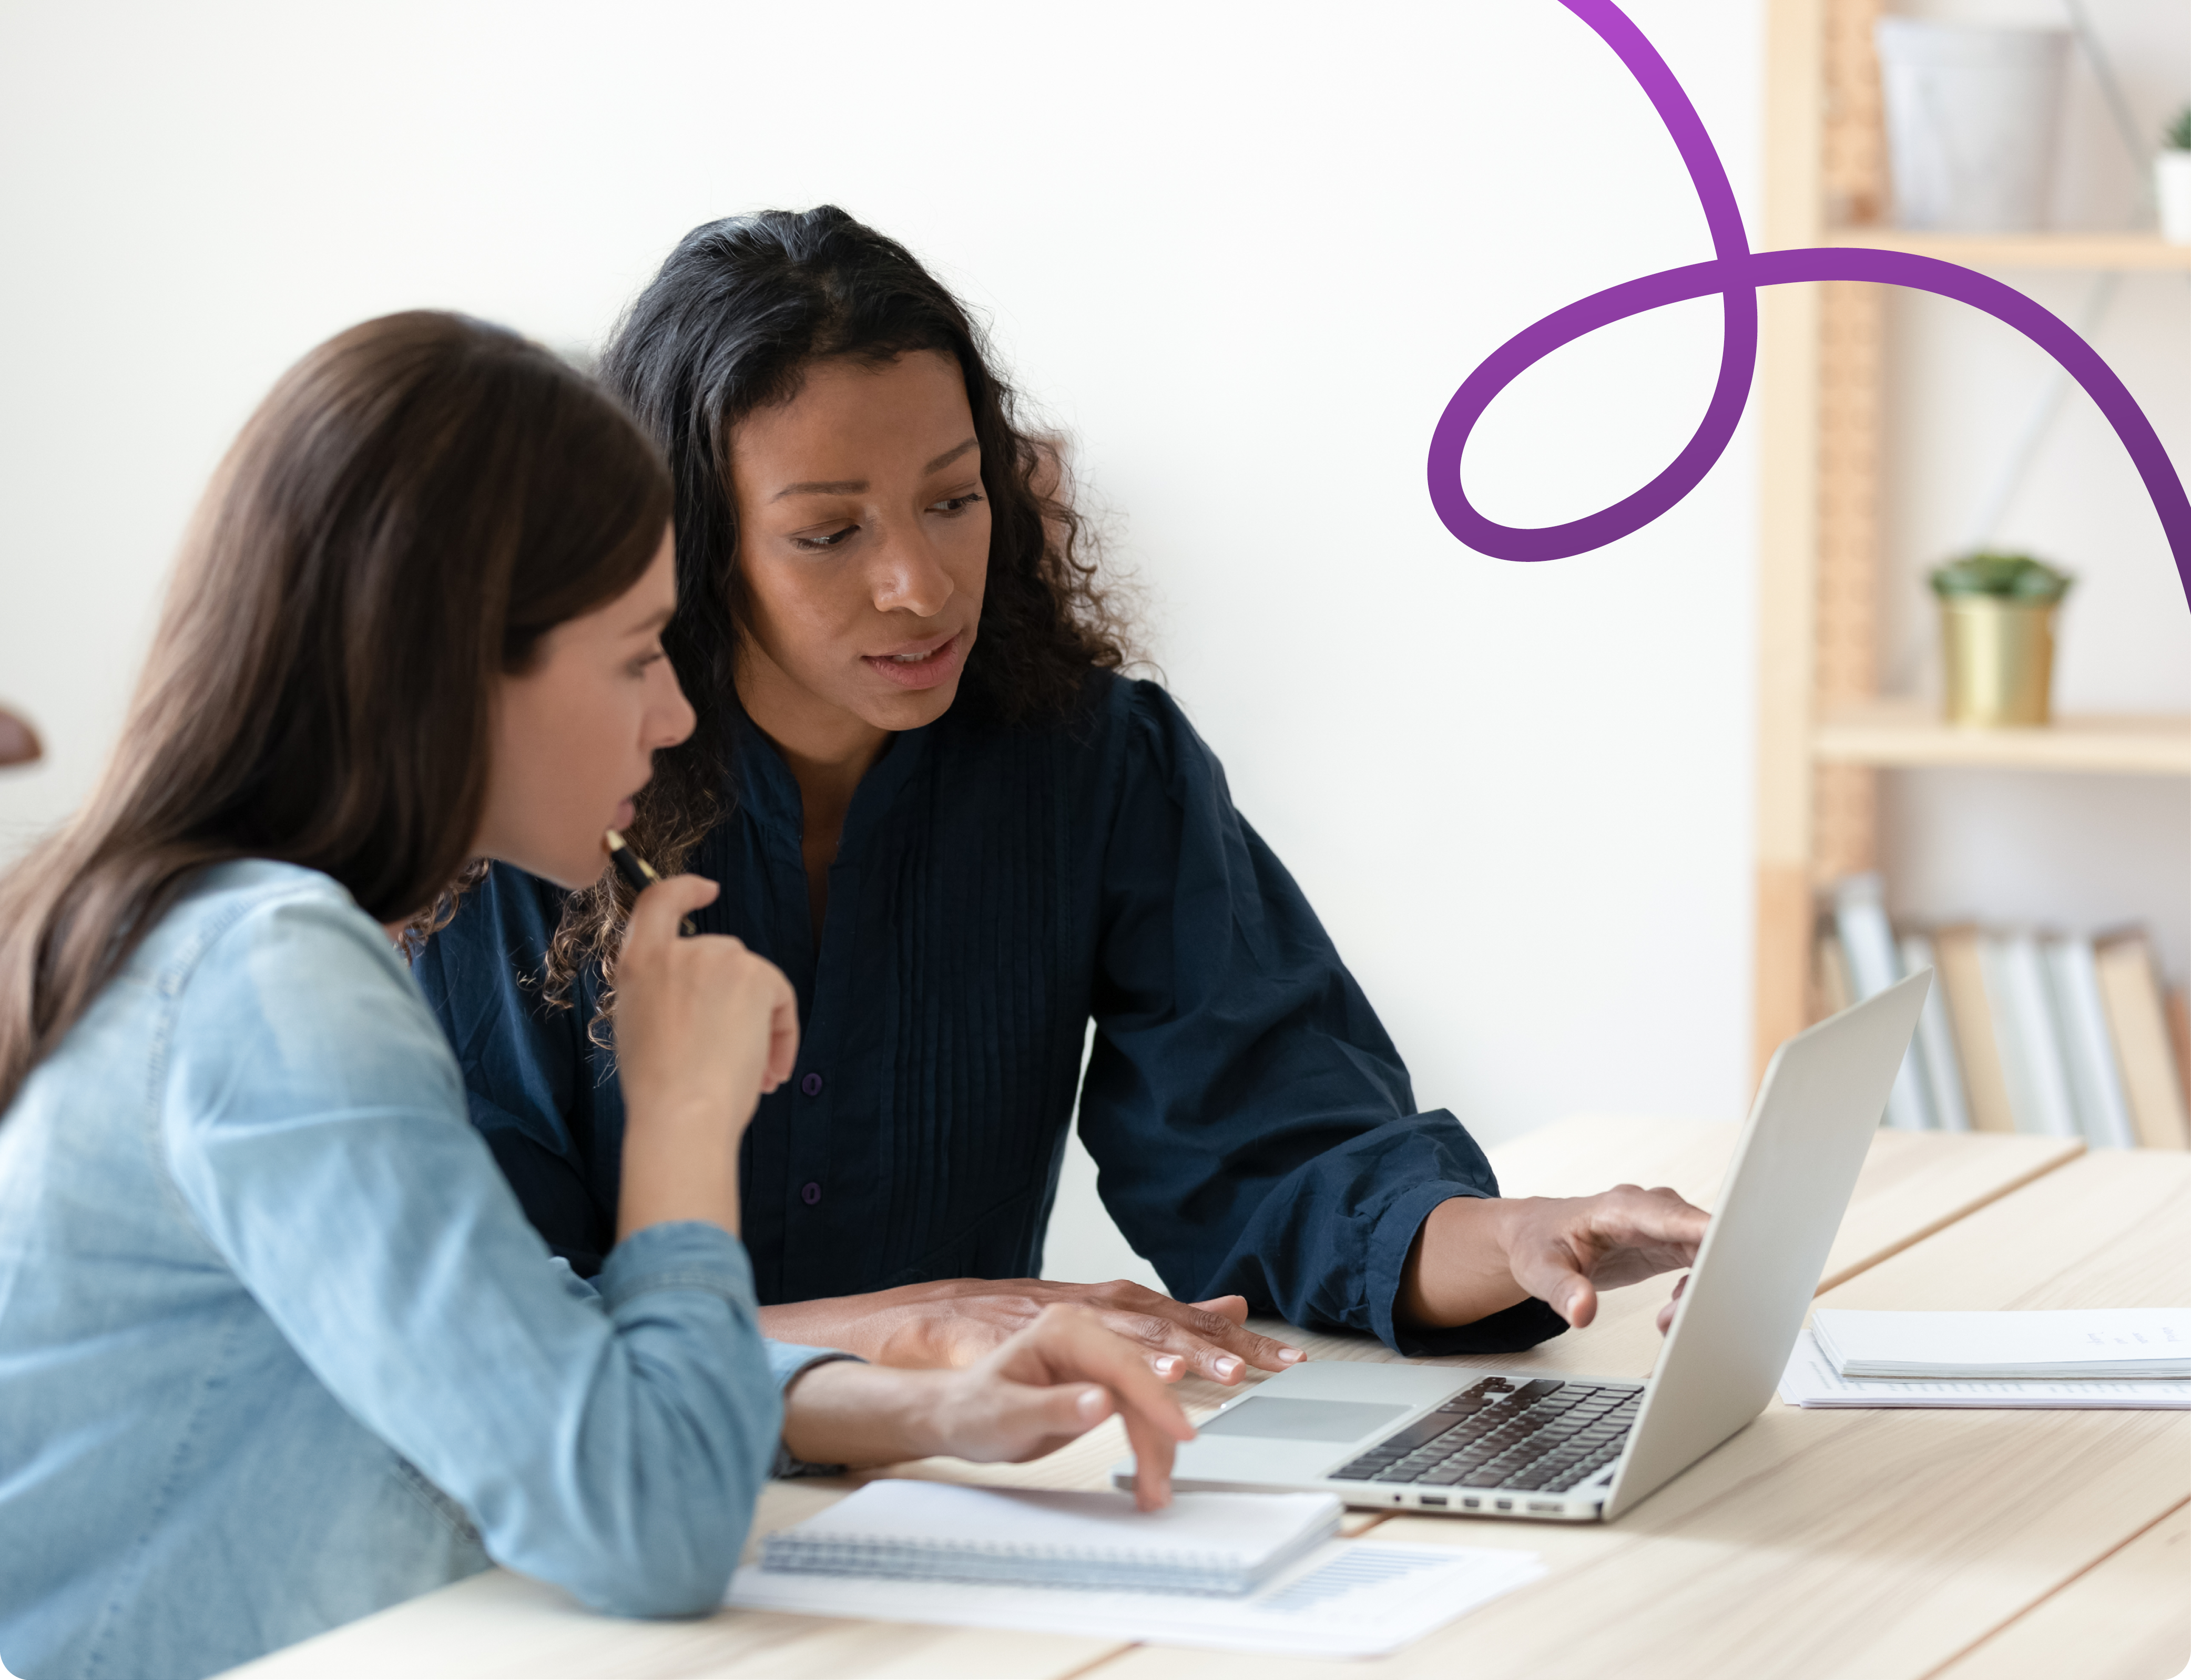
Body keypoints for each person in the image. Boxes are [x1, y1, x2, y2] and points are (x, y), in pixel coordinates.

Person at [0, 312, 1190, 1680]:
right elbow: (650, 1525)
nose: (676, 716)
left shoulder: (216, 937)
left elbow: (521, 1363)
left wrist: (928, 1410)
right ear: (454, 669)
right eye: (635, 654)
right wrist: (681, 1116)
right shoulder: (271, 979)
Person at [414, 207, 1710, 1392]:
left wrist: (1515, 1236)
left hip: (970, 1487)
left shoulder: (1094, 764)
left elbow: (1272, 1152)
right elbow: (488, 1327)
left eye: (953, 499)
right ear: (692, 547)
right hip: (608, 1521)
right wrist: (905, 1324)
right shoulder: (533, 816)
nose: (922, 584)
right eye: (830, 533)